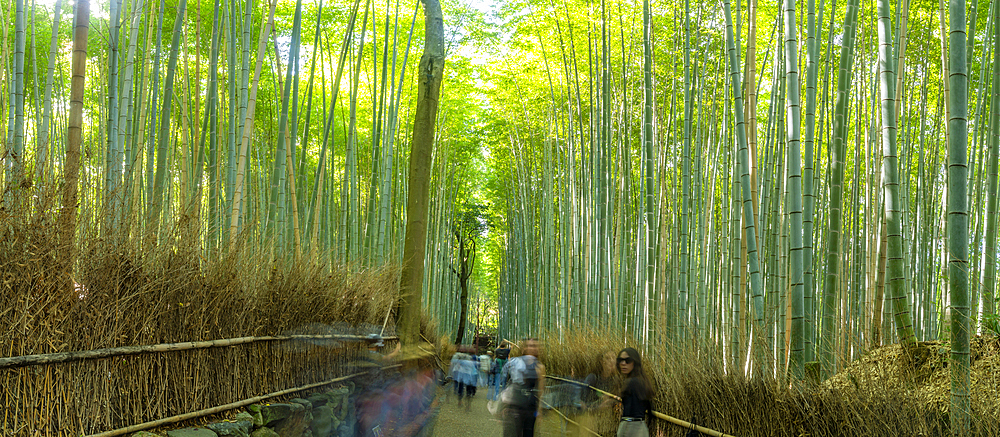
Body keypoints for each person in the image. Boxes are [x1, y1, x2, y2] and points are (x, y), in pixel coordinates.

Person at [500, 338, 545, 437]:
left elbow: (540, 392)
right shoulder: (515, 363)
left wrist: (540, 412)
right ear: (524, 348)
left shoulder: (539, 367)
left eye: (534, 346)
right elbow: (507, 385)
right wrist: (504, 406)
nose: (531, 348)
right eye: (528, 345)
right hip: (514, 406)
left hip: (530, 408)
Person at [616, 347, 652, 437]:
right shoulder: (641, 380)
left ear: (635, 362)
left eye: (628, 360)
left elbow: (631, 413)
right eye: (620, 360)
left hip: (631, 428)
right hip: (640, 427)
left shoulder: (633, 382)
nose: (623, 363)